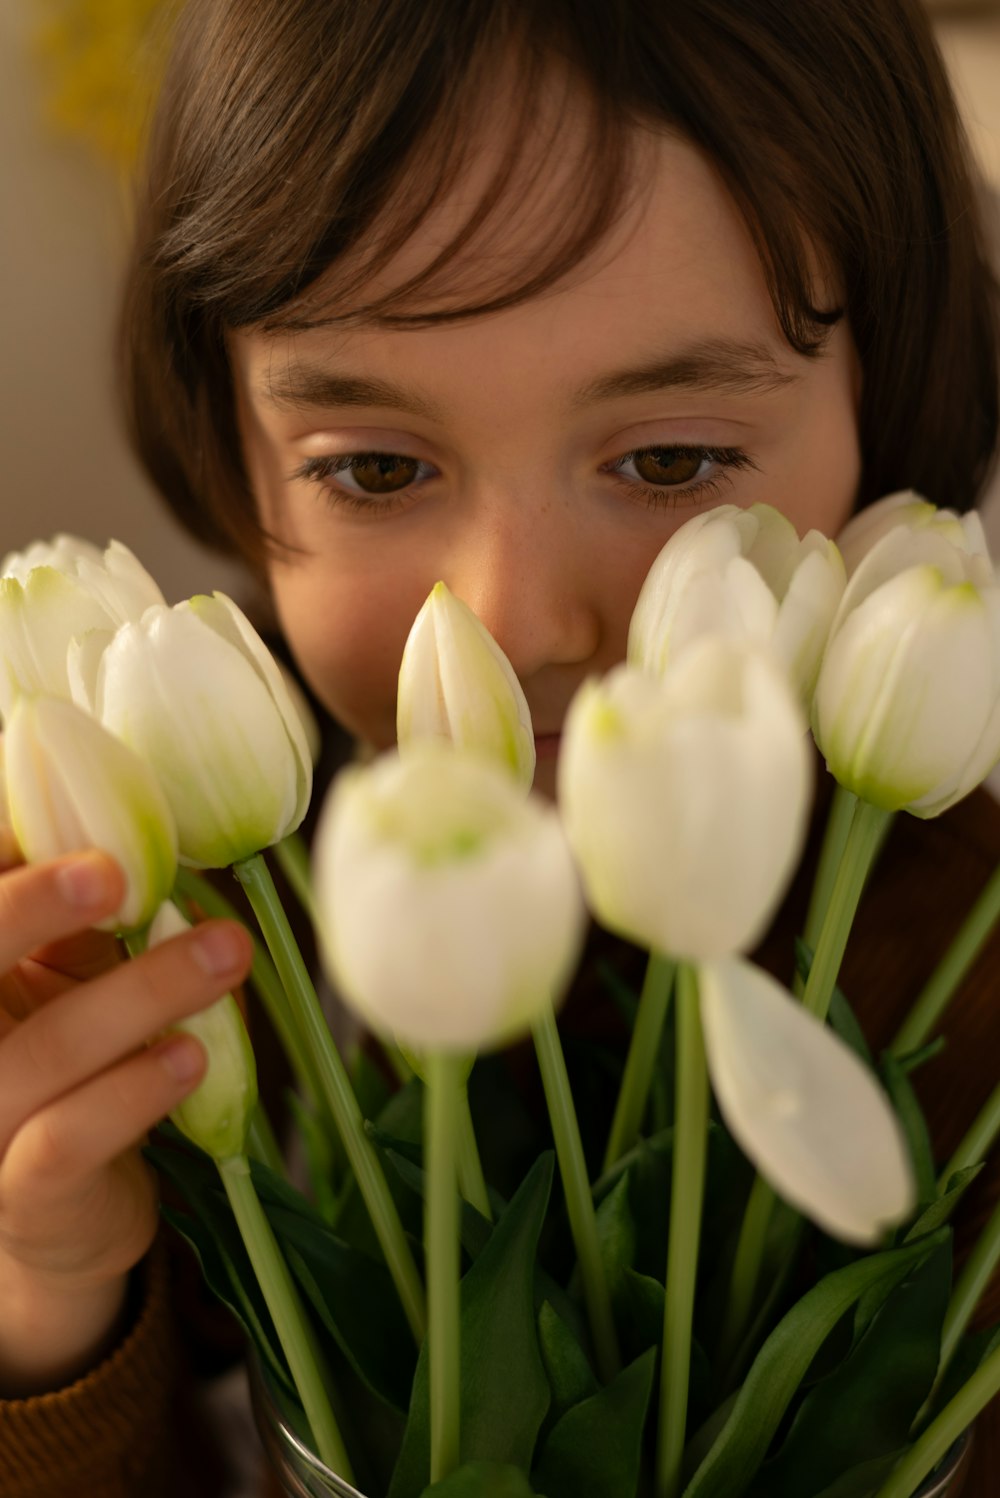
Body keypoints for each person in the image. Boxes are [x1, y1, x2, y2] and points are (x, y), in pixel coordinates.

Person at [1, 0, 999, 1493]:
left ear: (892, 405)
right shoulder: (173, 932)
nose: (514, 620)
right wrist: (51, 1300)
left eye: (669, 460)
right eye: (379, 468)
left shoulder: (966, 956)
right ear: (227, 441)